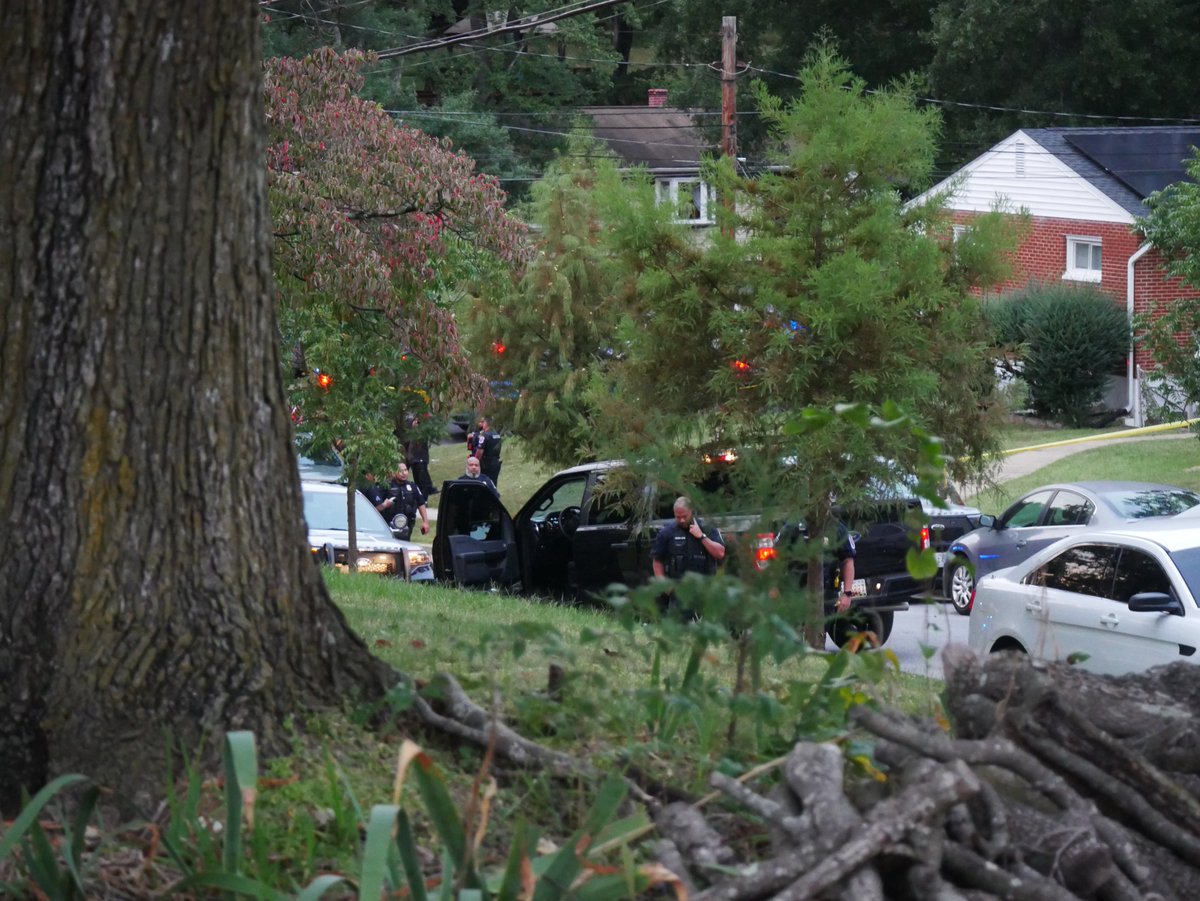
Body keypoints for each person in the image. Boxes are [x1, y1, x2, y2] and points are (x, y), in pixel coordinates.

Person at [651, 496, 725, 579]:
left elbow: (720, 553)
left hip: (705, 586)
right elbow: (657, 560)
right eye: (678, 517)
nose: (682, 520)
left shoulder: (707, 528)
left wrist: (701, 537)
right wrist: (662, 583)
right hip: (678, 586)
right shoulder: (667, 532)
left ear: (691, 511)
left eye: (684, 516)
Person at [387, 463, 430, 541]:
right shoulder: (387, 486)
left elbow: (421, 504)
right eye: (400, 471)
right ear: (394, 473)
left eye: (405, 470)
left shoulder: (412, 486)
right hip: (389, 523)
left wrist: (425, 522)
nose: (404, 473)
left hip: (408, 523)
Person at [404, 415, 436, 496]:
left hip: (420, 457)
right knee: (419, 478)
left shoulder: (422, 431)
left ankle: (426, 492)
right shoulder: (410, 429)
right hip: (414, 458)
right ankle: (424, 493)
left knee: (422, 477)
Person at [472, 416, 502, 486]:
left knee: (485, 484)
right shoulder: (497, 435)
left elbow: (479, 452)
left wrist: (475, 462)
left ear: (486, 423)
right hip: (496, 463)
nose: (482, 424)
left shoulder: (485, 436)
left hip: (486, 465)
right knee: (493, 484)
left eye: (483, 422)